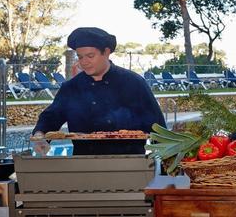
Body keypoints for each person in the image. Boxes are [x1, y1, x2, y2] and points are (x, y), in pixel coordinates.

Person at [32, 27, 165, 156]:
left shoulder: (134, 83)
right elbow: (51, 117)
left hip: (130, 164)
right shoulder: (71, 87)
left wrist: (166, 167)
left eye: (90, 56)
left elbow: (157, 127)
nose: (84, 62)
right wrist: (40, 135)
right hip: (83, 165)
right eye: (80, 57)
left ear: (106, 52)